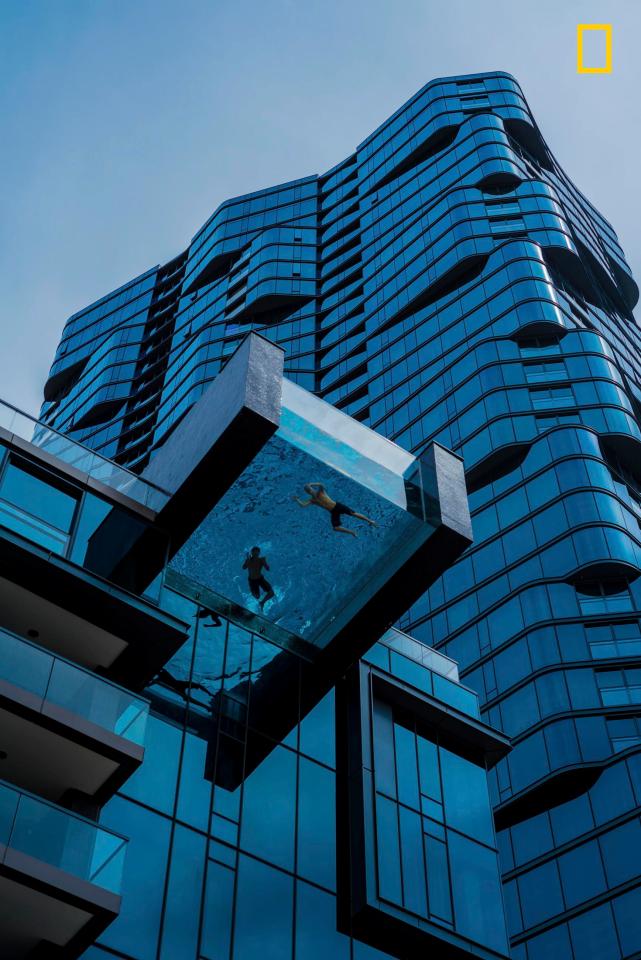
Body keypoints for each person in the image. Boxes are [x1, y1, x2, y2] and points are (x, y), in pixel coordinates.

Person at [292, 482, 377, 537]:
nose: (310, 491)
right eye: (308, 491)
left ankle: (370, 521)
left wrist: (312, 484)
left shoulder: (320, 492)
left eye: (310, 489)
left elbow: (322, 485)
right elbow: (303, 505)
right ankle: (352, 532)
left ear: (311, 488)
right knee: (335, 528)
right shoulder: (312, 500)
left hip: (337, 506)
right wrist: (297, 500)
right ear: (307, 492)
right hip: (333, 511)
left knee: (353, 514)